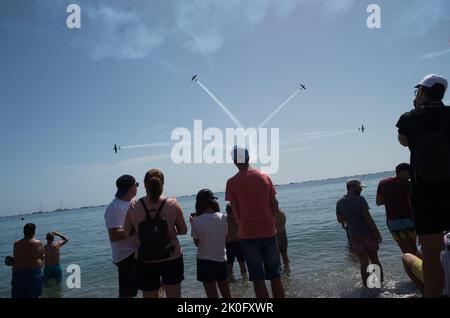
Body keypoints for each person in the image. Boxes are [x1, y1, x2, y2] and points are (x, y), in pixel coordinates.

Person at [396, 74, 450, 297]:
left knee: (430, 256)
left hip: (425, 193)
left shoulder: (409, 118)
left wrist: (416, 109)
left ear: (422, 92)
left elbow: (403, 141)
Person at [225, 146, 285, 298]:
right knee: (275, 275)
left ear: (234, 161)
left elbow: (235, 211)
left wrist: (241, 222)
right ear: (248, 158)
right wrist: (274, 224)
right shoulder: (264, 177)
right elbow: (274, 205)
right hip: (268, 230)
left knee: (257, 278)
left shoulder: (232, 182)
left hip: (247, 233)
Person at [124, 169, 187, 298]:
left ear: (145, 184)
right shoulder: (172, 204)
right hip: (171, 258)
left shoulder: (134, 205)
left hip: (144, 260)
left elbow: (126, 233)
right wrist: (171, 231)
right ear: (162, 184)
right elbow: (184, 230)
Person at [336, 179, 384, 287]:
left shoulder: (339, 202)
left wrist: (349, 221)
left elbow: (340, 221)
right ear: (352, 187)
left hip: (353, 236)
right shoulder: (360, 199)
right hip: (367, 234)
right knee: (374, 260)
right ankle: (378, 285)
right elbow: (368, 218)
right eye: (359, 187)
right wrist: (377, 232)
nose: (361, 189)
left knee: (363, 263)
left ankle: (366, 287)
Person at [191, 189, 231, 298]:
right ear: (212, 201)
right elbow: (224, 236)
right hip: (221, 259)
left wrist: (193, 223)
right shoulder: (223, 217)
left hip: (204, 261)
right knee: (227, 295)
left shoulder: (196, 221)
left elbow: (197, 243)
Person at [104, 175, 139, 298]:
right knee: (127, 293)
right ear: (131, 188)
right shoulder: (115, 207)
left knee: (152, 285)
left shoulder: (132, 203)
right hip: (126, 255)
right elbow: (113, 235)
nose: (137, 188)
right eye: (137, 185)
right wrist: (136, 229)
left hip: (136, 252)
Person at [376, 163, 417, 254]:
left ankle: (409, 268)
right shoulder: (409, 184)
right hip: (408, 218)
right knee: (413, 249)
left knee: (405, 252)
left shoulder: (382, 183)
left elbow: (378, 202)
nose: (410, 174)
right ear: (402, 171)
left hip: (393, 220)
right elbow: (411, 203)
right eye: (409, 172)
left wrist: (390, 200)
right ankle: (419, 267)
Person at [402, 232, 450, 297]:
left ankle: (425, 292)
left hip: (440, 289)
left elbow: (420, 253)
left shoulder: (443, 237)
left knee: (406, 257)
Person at [11, 223, 44, 298]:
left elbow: (15, 258)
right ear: (34, 232)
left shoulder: (16, 244)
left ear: (23, 232)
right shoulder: (38, 243)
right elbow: (42, 258)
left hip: (18, 273)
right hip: (34, 274)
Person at [225, 203, 247, 281]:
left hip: (228, 245)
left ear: (226, 211)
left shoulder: (224, 220)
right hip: (239, 243)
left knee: (229, 266)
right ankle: (245, 281)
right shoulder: (238, 219)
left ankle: (231, 282)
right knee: (242, 265)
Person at [274, 199, 290, 270]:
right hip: (283, 234)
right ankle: (287, 269)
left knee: (276, 256)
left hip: (276, 236)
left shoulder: (272, 214)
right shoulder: (282, 212)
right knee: (284, 254)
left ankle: (279, 272)